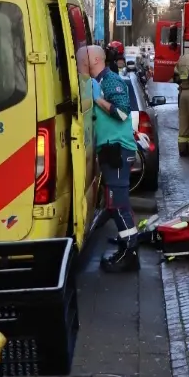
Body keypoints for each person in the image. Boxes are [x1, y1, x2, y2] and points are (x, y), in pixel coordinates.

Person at [80, 44, 140, 273]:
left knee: (118, 204)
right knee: (115, 203)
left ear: (95, 60)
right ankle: (127, 246)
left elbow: (122, 112)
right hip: (110, 149)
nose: (80, 62)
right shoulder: (97, 82)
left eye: (83, 58)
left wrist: (98, 100)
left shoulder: (110, 81)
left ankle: (130, 253)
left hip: (118, 150)